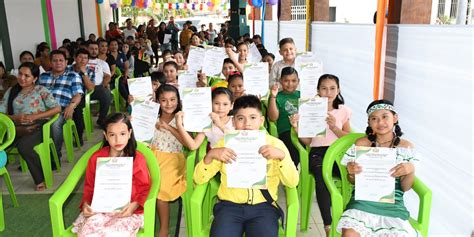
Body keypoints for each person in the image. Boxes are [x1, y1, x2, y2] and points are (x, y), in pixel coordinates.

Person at [194, 95, 299, 237]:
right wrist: (210, 155)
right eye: (241, 118)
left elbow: (292, 182)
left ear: (261, 120)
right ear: (234, 121)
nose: (247, 124)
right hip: (229, 206)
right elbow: (199, 179)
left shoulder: (275, 145)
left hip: (264, 208)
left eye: (253, 118)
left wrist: (282, 157)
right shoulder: (224, 144)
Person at [337, 99, 418, 237]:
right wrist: (351, 173)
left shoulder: (406, 147)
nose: (380, 122)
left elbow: (405, 188)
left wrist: (410, 170)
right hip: (362, 202)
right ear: (369, 122)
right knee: (349, 234)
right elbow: (353, 181)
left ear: (395, 118)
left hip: (393, 206)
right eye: (374, 118)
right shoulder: (362, 144)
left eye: (385, 117)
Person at [289, 74, 351, 235]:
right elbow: (308, 142)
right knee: (323, 178)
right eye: (324, 88)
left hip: (338, 152)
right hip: (318, 153)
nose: (328, 92)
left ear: (338, 90)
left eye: (332, 88)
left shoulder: (343, 111)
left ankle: (350, 218)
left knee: (351, 177)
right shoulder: (310, 109)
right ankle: (328, 223)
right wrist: (296, 127)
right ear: (318, 90)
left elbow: (348, 138)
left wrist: (335, 128)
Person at [72, 113, 151, 236]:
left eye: (122, 134)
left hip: (128, 212)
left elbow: (145, 187)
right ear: (105, 135)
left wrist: (134, 206)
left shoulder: (137, 159)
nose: (118, 140)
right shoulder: (96, 158)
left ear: (129, 133)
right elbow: (89, 187)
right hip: (99, 211)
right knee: (88, 233)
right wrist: (86, 205)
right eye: (112, 135)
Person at [0, 62, 61, 191]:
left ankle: (40, 178)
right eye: (20, 74)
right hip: (16, 126)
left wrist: (35, 117)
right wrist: (15, 118)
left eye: (27, 76)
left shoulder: (41, 90)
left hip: (39, 125)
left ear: (35, 78)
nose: (22, 78)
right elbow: (2, 113)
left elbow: (57, 108)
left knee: (24, 146)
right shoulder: (12, 91)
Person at [149, 84, 186, 237]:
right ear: (157, 101)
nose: (169, 104)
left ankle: (164, 229)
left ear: (178, 100)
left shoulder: (181, 118)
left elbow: (185, 141)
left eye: (172, 99)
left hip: (172, 158)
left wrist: (169, 127)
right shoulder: (152, 116)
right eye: (163, 100)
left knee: (161, 186)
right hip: (152, 156)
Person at [38, 50, 84, 163]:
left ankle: (55, 156)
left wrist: (71, 106)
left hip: (62, 110)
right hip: (42, 109)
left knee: (55, 124)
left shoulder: (73, 75)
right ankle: (33, 157)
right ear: (50, 62)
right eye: (55, 60)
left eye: (61, 60)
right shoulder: (43, 76)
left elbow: (78, 94)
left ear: (66, 62)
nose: (58, 63)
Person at [268, 67, 301, 166]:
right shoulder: (277, 96)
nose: (290, 84)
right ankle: (294, 169)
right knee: (293, 149)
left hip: (302, 130)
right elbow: (273, 118)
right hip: (286, 131)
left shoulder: (302, 95)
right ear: (280, 81)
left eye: (293, 81)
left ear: (298, 81)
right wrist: (273, 97)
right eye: (286, 81)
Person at [68, 48, 95, 146]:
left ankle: (78, 136)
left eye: (85, 58)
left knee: (77, 110)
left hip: (81, 96)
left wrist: (84, 73)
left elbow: (90, 88)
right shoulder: (67, 69)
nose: (83, 60)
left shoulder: (90, 70)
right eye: (80, 57)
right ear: (75, 58)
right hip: (66, 95)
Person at [87, 41, 113, 127]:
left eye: (96, 49)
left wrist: (104, 84)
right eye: (91, 49)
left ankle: (102, 119)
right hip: (81, 89)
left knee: (106, 93)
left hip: (97, 89)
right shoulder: (81, 61)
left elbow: (107, 76)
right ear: (87, 49)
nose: (94, 51)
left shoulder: (102, 63)